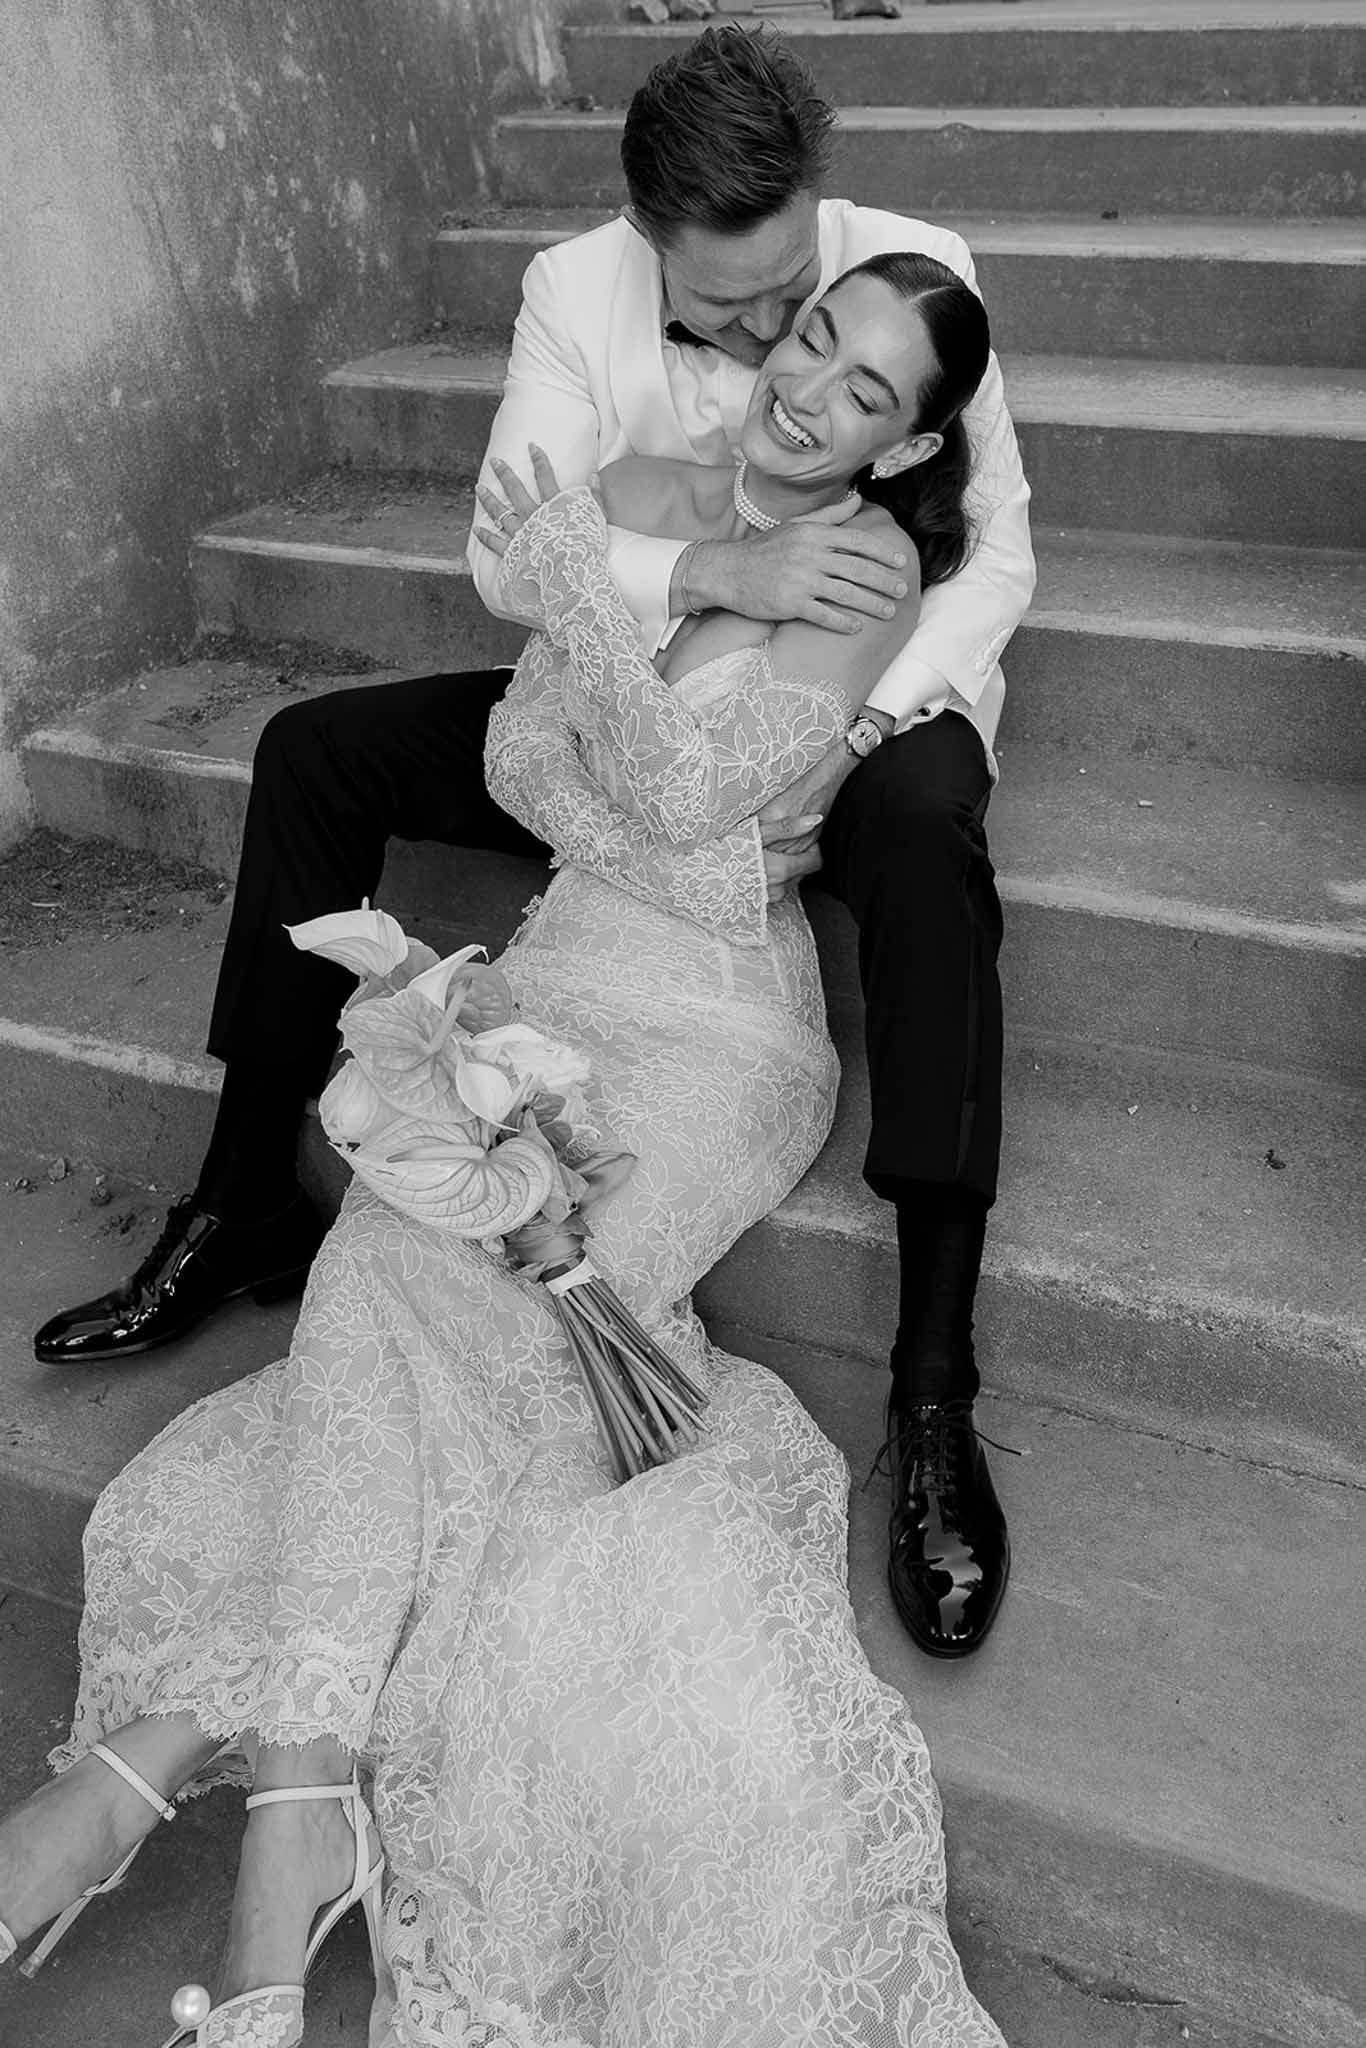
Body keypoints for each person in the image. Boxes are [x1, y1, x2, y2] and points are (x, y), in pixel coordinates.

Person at [0, 251, 1007, 2048]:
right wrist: (676, 582)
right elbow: (536, 770)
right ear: (772, 334)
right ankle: (263, 1830)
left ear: (911, 439)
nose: (814, 394)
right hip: (553, 972)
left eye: (870, 394)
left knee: (467, 1277)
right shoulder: (640, 495)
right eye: (812, 342)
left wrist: (595, 610)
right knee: (408, 1255)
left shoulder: (865, 565)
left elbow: (697, 815)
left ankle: (155, 1806)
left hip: (714, 1026)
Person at [34, 24, 1033, 1661]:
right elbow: (517, 561)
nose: (779, 340)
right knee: (312, 747)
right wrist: (716, 576)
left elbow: (991, 560)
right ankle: (243, 1196)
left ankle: (930, 1389)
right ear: (647, 238)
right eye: (736, 312)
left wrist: (853, 707)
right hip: (619, 693)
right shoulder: (572, 295)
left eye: (800, 295)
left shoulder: (909, 288)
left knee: (926, 842)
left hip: (849, 707)